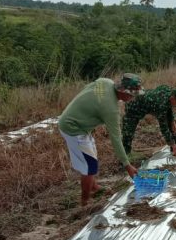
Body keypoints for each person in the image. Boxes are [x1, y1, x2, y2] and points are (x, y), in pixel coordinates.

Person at [58, 73, 142, 206]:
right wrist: (127, 165)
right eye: (132, 95)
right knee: (89, 166)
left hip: (77, 121)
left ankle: (94, 187)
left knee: (92, 156)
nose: (133, 98)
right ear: (124, 92)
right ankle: (85, 201)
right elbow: (116, 139)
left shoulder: (106, 82)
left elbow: (91, 88)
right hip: (73, 127)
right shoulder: (110, 109)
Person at [121, 85, 176, 157]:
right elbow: (164, 128)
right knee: (128, 134)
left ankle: (175, 144)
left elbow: (168, 109)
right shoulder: (161, 104)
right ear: (173, 98)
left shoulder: (169, 91)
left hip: (147, 102)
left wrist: (172, 122)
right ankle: (125, 157)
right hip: (133, 107)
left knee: (171, 124)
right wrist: (173, 146)